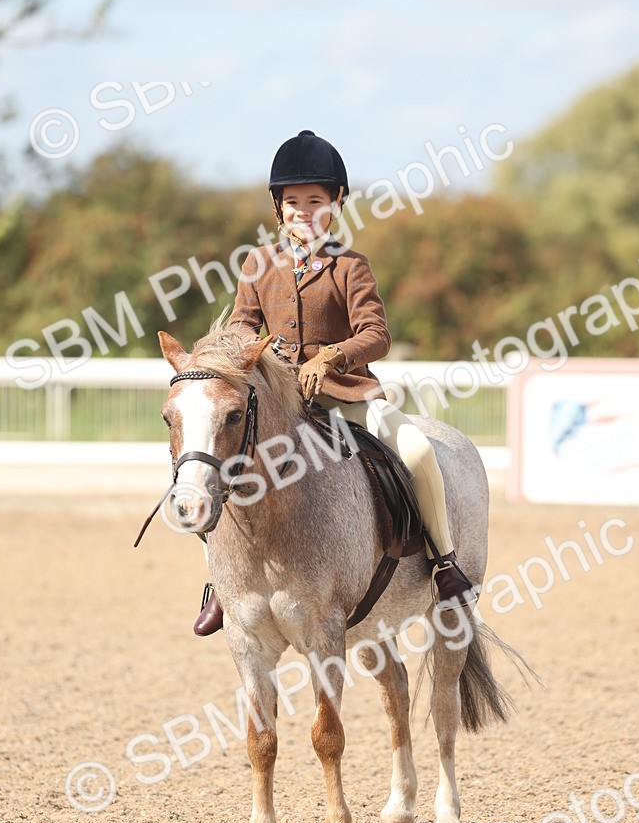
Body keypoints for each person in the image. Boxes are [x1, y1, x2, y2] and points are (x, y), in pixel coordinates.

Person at [194, 129, 475, 635]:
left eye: (315, 201)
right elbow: (241, 323)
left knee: (415, 450)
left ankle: (444, 561)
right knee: (214, 460)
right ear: (279, 207)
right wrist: (244, 350)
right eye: (294, 202)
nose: (304, 211)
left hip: (347, 398)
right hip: (283, 403)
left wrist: (334, 356)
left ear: (337, 202)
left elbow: (377, 334)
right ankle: (223, 583)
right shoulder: (258, 264)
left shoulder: (350, 266)